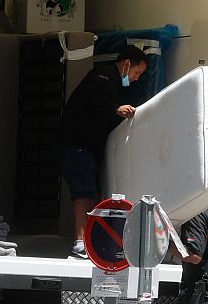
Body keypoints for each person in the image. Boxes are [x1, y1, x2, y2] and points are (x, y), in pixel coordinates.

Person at [54, 45, 148, 258]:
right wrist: (115, 109)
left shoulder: (113, 83)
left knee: (91, 191)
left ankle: (90, 238)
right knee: (83, 192)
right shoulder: (103, 77)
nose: (136, 78)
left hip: (84, 146)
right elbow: (90, 102)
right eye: (137, 72)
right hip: (74, 144)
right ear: (126, 64)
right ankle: (80, 242)